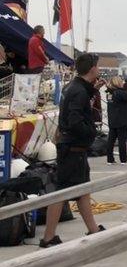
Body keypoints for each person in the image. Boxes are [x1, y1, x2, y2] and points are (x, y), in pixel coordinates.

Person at [39, 53, 106, 248]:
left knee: (83, 190)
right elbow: (75, 119)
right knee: (61, 192)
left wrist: (93, 92)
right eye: (98, 67)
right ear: (92, 69)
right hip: (73, 147)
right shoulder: (78, 91)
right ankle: (48, 237)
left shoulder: (74, 87)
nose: (99, 70)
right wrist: (90, 133)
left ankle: (93, 229)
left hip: (72, 147)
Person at [105, 76, 127, 164]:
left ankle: (110, 159)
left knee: (111, 140)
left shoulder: (109, 94)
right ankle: (123, 159)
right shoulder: (121, 93)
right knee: (122, 140)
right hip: (121, 119)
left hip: (112, 119)